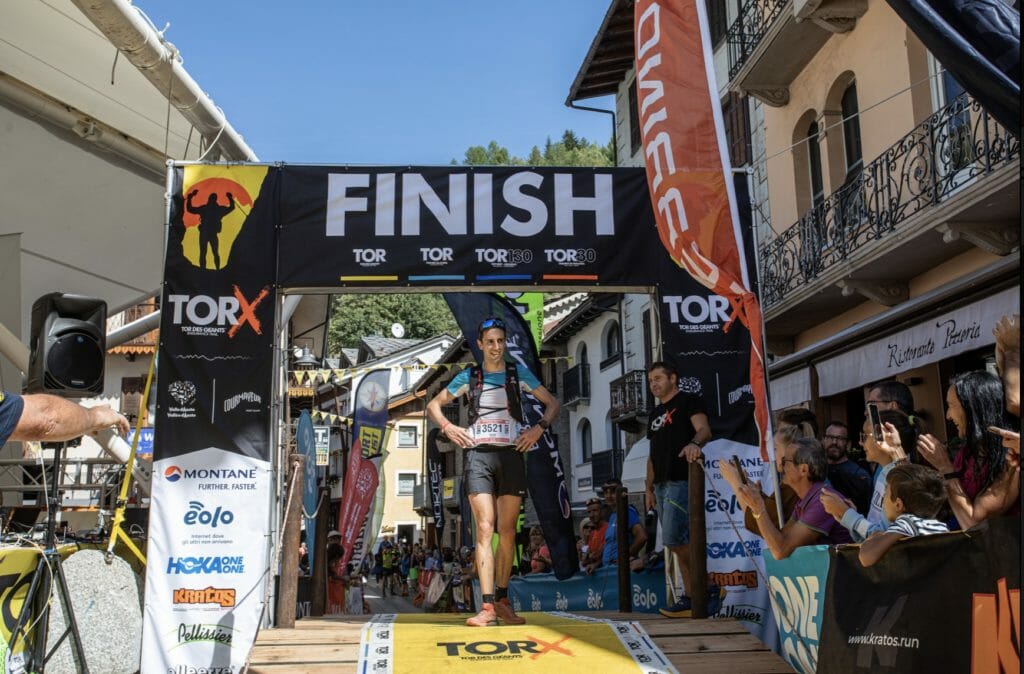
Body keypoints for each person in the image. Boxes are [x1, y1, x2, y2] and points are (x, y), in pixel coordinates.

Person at [426, 316, 560, 627]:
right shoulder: (470, 376)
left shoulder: (517, 373)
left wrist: (538, 430)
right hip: (478, 455)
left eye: (500, 341)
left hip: (512, 455)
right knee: (485, 528)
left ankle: (501, 599)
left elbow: (552, 404)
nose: (496, 347)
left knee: (508, 532)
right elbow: (434, 405)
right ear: (481, 344)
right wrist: (449, 427)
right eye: (490, 342)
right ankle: (485, 607)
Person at [641, 361, 716, 618]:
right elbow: (652, 454)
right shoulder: (653, 415)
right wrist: (648, 487)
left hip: (681, 479)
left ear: (673, 378)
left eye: (659, 378)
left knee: (674, 539)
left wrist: (694, 444)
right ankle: (693, 594)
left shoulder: (689, 401)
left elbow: (704, 430)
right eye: (651, 380)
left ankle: (705, 587)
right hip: (660, 484)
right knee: (675, 543)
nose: (654, 384)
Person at [917, 371, 1019, 528]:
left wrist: (945, 467)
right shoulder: (967, 453)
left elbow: (974, 523)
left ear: (974, 409)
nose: (948, 416)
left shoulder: (1013, 455)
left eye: (951, 406)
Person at [737, 438, 853, 560]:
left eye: (785, 461)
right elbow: (781, 538)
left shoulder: (821, 501)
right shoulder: (806, 499)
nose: (781, 467)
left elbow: (780, 551)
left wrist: (758, 508)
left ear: (803, 469)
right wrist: (757, 500)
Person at [821, 410, 915, 542]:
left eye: (864, 435)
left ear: (883, 437)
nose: (860, 442)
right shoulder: (883, 473)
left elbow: (883, 536)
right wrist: (851, 514)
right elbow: (874, 532)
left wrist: (846, 514)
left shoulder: (899, 480)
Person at [859, 463, 950, 567]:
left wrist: (874, 537)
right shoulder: (940, 526)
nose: (883, 499)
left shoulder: (908, 522)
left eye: (885, 493)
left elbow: (867, 558)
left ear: (898, 504)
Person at [822, 421, 872, 515]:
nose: (834, 442)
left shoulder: (859, 476)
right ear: (823, 440)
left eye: (840, 438)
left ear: (848, 444)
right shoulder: (818, 470)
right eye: (830, 437)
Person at [600, 478, 647, 569]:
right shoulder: (612, 516)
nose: (609, 495)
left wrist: (624, 558)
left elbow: (642, 537)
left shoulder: (627, 511)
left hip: (622, 570)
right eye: (606, 492)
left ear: (621, 492)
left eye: (613, 491)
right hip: (609, 569)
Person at [185, 189, 235, 270]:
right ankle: (213, 269)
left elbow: (190, 209)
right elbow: (232, 207)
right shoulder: (219, 210)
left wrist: (191, 197)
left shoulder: (206, 208)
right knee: (211, 252)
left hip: (206, 233)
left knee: (208, 252)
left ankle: (206, 269)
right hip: (209, 233)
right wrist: (230, 198)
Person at [582, 497, 609, 574]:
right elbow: (584, 562)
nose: (591, 515)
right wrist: (585, 542)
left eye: (594, 511)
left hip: (606, 574)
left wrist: (592, 557)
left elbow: (600, 556)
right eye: (589, 512)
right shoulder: (592, 533)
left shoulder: (609, 529)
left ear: (602, 512)